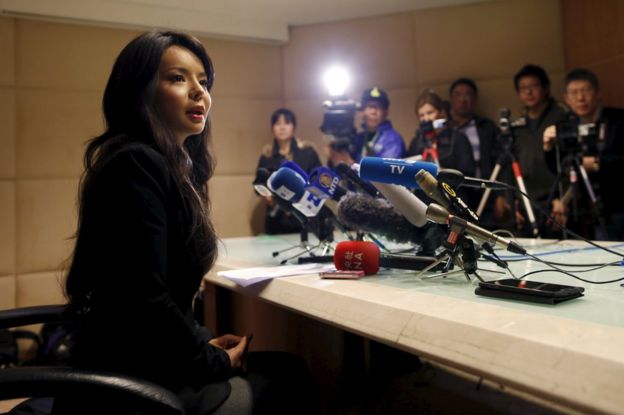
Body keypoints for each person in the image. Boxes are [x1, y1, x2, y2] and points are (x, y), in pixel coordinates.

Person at [57, 31, 313, 415]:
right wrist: (213, 361)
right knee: (289, 376)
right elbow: (145, 300)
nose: (199, 93)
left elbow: (157, 299)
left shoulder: (161, 166)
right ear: (139, 91)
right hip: (131, 387)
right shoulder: (137, 164)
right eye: (178, 78)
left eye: (203, 82)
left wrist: (199, 343)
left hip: (146, 362)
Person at [543, 68, 624, 240]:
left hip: (617, 207)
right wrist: (549, 147)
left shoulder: (618, 120)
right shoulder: (566, 126)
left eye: (585, 91)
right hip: (582, 214)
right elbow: (560, 169)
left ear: (598, 93)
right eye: (574, 93)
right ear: (566, 98)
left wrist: (596, 163)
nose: (580, 98)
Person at [497, 65, 569, 233]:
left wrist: (564, 198)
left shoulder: (561, 117)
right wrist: (511, 200)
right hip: (525, 200)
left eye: (533, 86)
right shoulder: (518, 124)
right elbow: (509, 164)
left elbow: (569, 161)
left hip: (554, 201)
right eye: (523, 88)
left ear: (545, 88)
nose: (528, 92)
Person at [254, 108, 321, 234]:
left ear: (294, 127)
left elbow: (318, 181)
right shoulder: (266, 156)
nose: (282, 127)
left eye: (287, 123)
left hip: (306, 219)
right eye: (278, 123)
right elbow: (258, 186)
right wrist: (266, 195)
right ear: (272, 128)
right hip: (277, 221)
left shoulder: (308, 152)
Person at [407, 89, 476, 176]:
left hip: (450, 188)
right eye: (421, 115)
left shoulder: (458, 138)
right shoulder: (416, 142)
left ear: (440, 112)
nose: (426, 118)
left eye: (430, 113)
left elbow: (468, 173)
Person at [350, 87, 405, 161]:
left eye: (378, 107)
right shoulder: (358, 139)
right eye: (369, 107)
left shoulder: (393, 139)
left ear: (386, 112)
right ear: (363, 110)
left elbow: (386, 169)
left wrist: (349, 163)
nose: (373, 112)